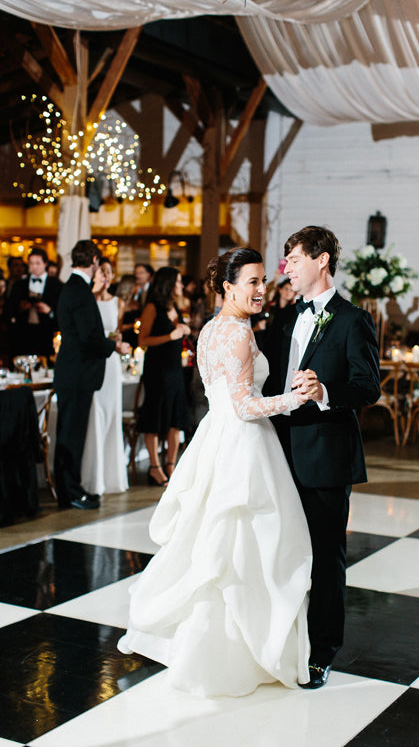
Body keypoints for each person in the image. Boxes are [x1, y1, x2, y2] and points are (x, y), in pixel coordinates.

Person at [118, 247, 313, 696]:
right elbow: (245, 406)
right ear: (228, 286)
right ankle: (238, 651)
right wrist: (296, 399)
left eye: (265, 280)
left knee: (217, 543)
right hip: (243, 442)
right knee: (241, 544)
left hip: (215, 436)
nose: (262, 289)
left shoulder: (211, 329)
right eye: (253, 282)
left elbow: (222, 395)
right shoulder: (239, 334)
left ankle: (213, 644)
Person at [264, 225, 380, 689]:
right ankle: (283, 639)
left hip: (326, 456)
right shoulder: (286, 316)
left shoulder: (353, 320)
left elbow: (368, 386)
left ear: (322, 260)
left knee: (325, 557)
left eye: (292, 258)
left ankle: (322, 651)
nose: (286, 267)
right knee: (282, 551)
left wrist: (326, 391)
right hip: (278, 451)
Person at [53, 240, 130, 510]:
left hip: (73, 372)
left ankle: (70, 490)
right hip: (77, 373)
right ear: (94, 260)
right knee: (70, 437)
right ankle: (71, 492)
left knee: (70, 435)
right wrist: (115, 346)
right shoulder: (79, 290)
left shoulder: (73, 287)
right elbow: (89, 337)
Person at [136, 267, 191, 486]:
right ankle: (154, 467)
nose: (182, 286)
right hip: (157, 371)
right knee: (155, 417)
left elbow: (178, 331)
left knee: (175, 419)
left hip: (175, 369)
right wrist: (171, 335)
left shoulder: (175, 306)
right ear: (168, 284)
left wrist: (183, 330)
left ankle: (171, 464)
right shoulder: (152, 307)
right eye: (178, 282)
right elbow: (143, 340)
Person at [80, 259, 128, 496]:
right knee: (94, 416)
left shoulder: (118, 302)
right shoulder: (86, 299)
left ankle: (111, 477)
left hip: (111, 364)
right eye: (103, 272)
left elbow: (115, 333)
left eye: (110, 272)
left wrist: (117, 341)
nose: (107, 276)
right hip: (92, 364)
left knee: (111, 416)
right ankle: (92, 478)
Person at [7, 248, 62, 359]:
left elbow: (62, 312)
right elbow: (9, 310)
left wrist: (49, 311)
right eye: (31, 263)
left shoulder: (56, 285)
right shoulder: (19, 285)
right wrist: (21, 308)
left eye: (37, 263)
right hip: (23, 335)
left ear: (45, 264)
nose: (34, 267)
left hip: (46, 335)